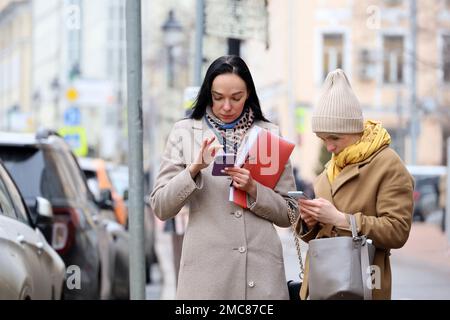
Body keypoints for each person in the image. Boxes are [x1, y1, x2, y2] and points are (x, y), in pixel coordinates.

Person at [150, 55, 298, 300]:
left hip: (260, 280)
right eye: (218, 98)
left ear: (248, 92)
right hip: (206, 281)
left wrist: (254, 189)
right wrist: (194, 169)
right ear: (209, 93)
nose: (226, 106)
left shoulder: (269, 135)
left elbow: (290, 214)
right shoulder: (185, 133)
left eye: (236, 98)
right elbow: (161, 206)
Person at [295, 69, 414, 300]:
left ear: (356, 130)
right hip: (322, 285)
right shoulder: (332, 167)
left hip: (364, 285)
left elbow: (398, 231)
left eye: (335, 138)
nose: (329, 147)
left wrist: (341, 219)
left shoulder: (388, 164)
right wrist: (310, 222)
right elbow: (322, 235)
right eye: (323, 139)